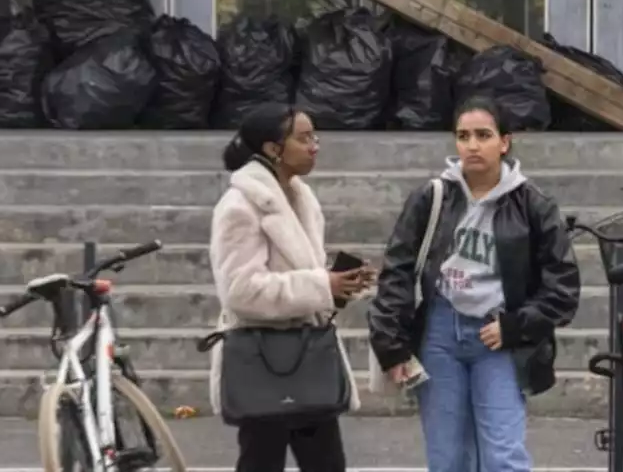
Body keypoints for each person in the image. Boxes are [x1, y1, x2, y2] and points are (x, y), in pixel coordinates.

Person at [368, 96, 582, 472]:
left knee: (504, 457)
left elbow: (563, 286)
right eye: (463, 135)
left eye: (483, 135)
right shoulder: (432, 197)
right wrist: (392, 344)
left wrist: (516, 325)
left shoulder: (533, 205)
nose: (472, 145)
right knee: (447, 459)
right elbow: (397, 271)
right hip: (439, 332)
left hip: (496, 336)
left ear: (505, 141)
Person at [209, 103, 372, 472]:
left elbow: (299, 276)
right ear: (272, 149)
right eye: (303, 138)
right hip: (262, 357)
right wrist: (320, 284)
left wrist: (337, 285)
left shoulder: (301, 198)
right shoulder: (239, 207)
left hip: (307, 353)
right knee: (262, 462)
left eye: (315, 136)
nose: (314, 145)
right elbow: (241, 291)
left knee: (327, 464)